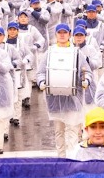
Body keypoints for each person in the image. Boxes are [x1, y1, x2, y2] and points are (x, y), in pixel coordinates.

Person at [37, 24, 92, 158]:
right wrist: (41, 82)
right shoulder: (49, 53)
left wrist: (86, 80)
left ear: (69, 34)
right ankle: (61, 158)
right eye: (59, 32)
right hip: (55, 100)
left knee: (72, 130)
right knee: (59, 131)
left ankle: (72, 158)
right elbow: (40, 72)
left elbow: (87, 71)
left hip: (73, 99)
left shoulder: (76, 53)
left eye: (64, 32)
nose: (62, 35)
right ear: (56, 34)